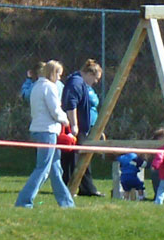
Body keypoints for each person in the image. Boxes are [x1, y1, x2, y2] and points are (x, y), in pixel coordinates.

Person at [15, 60, 75, 208]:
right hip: (47, 132)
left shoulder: (37, 86)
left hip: (38, 129)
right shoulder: (49, 87)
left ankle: (67, 203)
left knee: (55, 169)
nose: (60, 78)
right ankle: (24, 201)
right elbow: (55, 111)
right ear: (53, 73)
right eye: (59, 75)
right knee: (42, 169)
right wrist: (66, 121)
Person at [62, 58, 104, 197]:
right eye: (96, 78)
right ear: (89, 74)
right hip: (76, 127)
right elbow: (71, 104)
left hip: (81, 127)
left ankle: (86, 188)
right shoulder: (76, 82)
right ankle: (70, 187)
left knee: (81, 157)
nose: (96, 82)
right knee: (73, 158)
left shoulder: (82, 84)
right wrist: (74, 125)